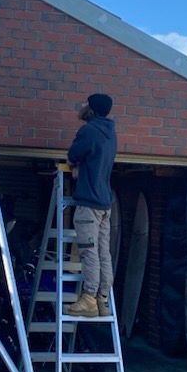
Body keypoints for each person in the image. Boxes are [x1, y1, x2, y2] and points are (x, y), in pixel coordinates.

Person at [66, 93, 118, 317]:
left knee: (89, 252)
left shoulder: (89, 131)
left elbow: (73, 155)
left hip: (89, 203)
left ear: (93, 109)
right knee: (103, 252)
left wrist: (75, 166)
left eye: (86, 103)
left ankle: (88, 298)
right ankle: (102, 301)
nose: (82, 105)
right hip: (105, 203)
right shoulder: (110, 132)